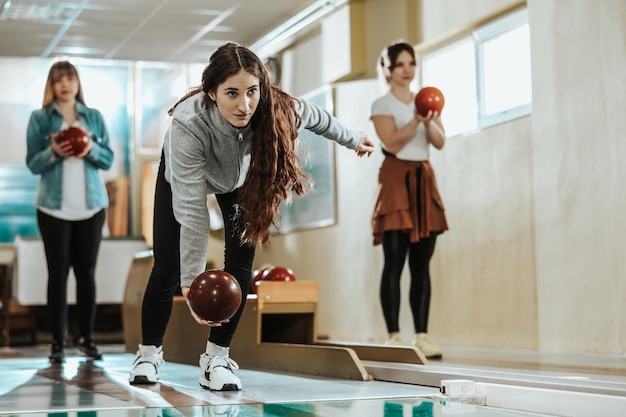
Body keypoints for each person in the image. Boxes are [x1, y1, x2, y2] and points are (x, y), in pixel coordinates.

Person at [128, 42, 375, 390]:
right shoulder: (188, 121)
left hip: (239, 181)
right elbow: (192, 211)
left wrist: (353, 139)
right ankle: (148, 353)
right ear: (211, 92)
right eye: (232, 93)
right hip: (183, 177)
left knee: (241, 263)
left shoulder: (275, 108)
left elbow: (318, 118)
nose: (244, 105)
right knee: (167, 267)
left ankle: (216, 358)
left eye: (251, 92)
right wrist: (192, 283)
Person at [26, 61, 115, 363]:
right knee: (58, 274)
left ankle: (87, 339)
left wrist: (89, 149)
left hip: (92, 207)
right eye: (58, 79)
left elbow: (108, 159)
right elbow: (33, 163)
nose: (65, 85)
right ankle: (57, 343)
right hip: (53, 208)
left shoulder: (94, 117)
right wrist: (53, 152)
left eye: (70, 78)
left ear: (78, 83)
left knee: (86, 273)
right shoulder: (40, 119)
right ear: (51, 85)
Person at [370, 41, 448, 358]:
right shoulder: (381, 104)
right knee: (394, 262)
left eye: (411, 64)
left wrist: (428, 119)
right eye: (400, 64)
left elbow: (440, 143)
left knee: (421, 265)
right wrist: (415, 119)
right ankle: (394, 335)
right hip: (395, 181)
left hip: (423, 180)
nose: (407, 70)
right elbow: (393, 142)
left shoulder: (426, 100)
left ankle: (423, 335)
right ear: (387, 70)